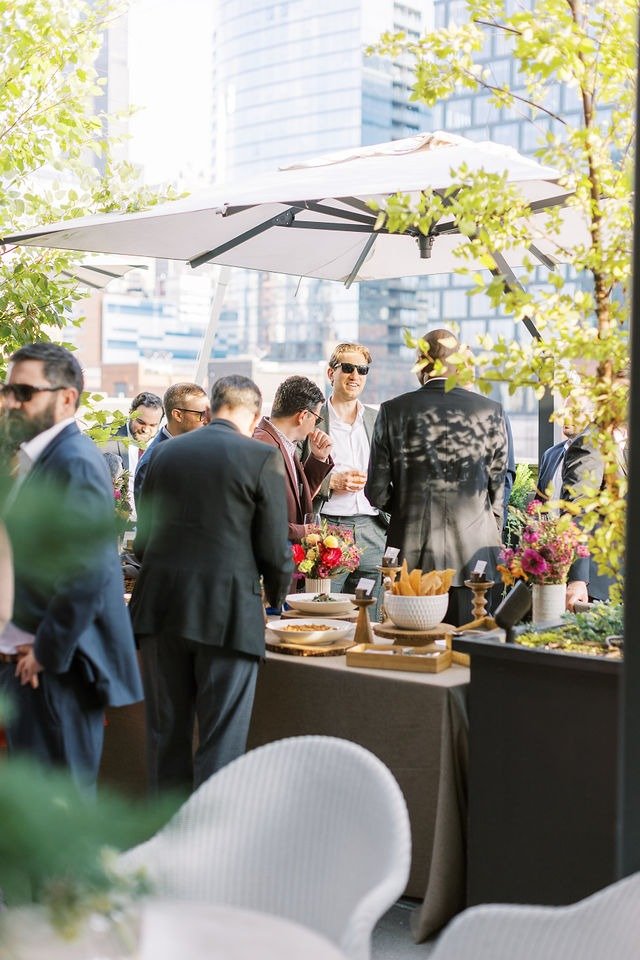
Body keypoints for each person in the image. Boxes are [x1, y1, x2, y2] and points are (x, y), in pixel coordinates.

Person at [131, 375, 292, 794]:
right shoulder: (260, 456)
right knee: (220, 749)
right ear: (254, 414)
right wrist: (278, 600)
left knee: (166, 742)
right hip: (228, 616)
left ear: (212, 408)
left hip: (159, 611)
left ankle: (164, 849)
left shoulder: (162, 454)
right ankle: (208, 853)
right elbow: (275, 552)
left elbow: (143, 542)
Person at [0, 342, 142, 790]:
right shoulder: (41, 458)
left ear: (66, 398)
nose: (9, 401)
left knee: (60, 805)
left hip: (53, 670)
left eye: (24, 391)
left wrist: (46, 650)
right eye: (7, 389)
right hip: (31, 664)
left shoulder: (75, 461)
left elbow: (89, 571)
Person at [366, 328, 508, 627]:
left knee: (411, 647)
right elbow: (497, 488)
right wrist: (489, 526)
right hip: (476, 554)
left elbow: (376, 492)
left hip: (413, 553)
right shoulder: (490, 411)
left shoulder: (392, 410)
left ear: (420, 362)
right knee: (469, 649)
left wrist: (406, 506)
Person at [305, 342, 388, 597]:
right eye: (348, 368)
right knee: (325, 609)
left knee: (369, 617)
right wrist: (332, 482)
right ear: (332, 373)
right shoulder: (311, 420)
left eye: (362, 370)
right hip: (329, 529)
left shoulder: (378, 418)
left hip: (373, 528)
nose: (355, 376)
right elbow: (295, 473)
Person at [253, 375, 333, 541]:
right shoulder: (262, 448)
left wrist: (318, 459)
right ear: (303, 416)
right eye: (317, 419)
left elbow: (296, 498)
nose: (315, 425)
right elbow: (255, 518)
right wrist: (302, 531)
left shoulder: (284, 444)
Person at [134, 382, 210, 508]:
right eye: (201, 415)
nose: (207, 420)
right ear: (178, 415)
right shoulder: (151, 462)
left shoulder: (198, 448)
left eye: (208, 413)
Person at [101, 391, 163, 518]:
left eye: (152, 425)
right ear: (130, 413)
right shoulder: (106, 436)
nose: (145, 429)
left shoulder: (165, 446)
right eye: (141, 422)